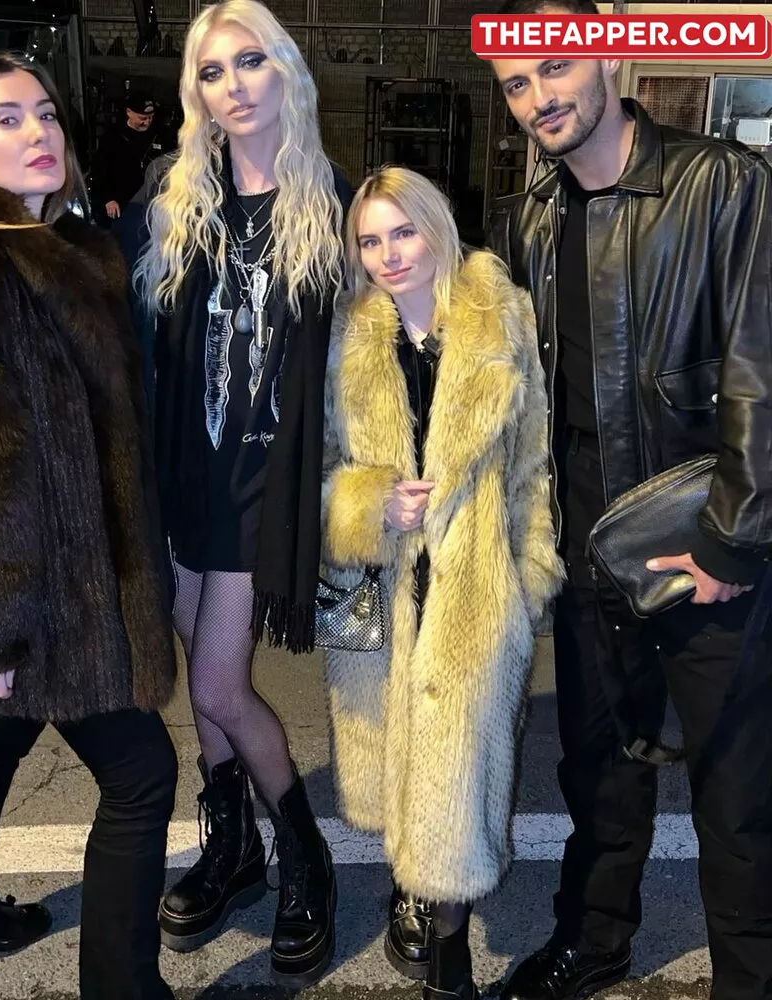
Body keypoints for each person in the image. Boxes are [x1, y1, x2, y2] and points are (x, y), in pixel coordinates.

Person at [488, 2, 772, 998]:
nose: (539, 96)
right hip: (584, 545)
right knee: (598, 769)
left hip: (701, 538)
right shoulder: (528, 216)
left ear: (611, 53)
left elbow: (762, 369)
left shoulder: (721, 184)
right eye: (516, 83)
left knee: (738, 797)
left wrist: (733, 541)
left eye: (555, 66)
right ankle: (595, 940)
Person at [0, 53, 178, 1000]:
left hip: (72, 576)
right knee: (142, 776)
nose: (39, 133)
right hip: (41, 593)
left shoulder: (71, 251)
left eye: (46, 114)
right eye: (7, 119)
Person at [125, 0, 353, 988]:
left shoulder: (331, 201)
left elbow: (371, 347)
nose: (234, 86)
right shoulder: (174, 195)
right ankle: (234, 845)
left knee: (220, 684)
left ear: (285, 71)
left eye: (250, 62)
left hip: (266, 481)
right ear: (197, 92)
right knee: (198, 671)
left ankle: (306, 856)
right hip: (183, 471)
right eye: (213, 72)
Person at [320, 166, 564, 1000]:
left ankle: (447, 949)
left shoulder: (502, 318)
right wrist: (366, 502)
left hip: (473, 589)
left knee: (456, 774)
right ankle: (410, 885)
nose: (390, 254)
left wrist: (526, 583)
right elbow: (317, 467)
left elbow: (533, 467)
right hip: (383, 589)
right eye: (371, 240)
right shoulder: (348, 336)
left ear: (437, 227)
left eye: (404, 232)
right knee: (399, 760)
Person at [90, 90, 163, 224]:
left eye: (150, 117)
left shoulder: (157, 135)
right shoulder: (113, 137)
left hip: (151, 200)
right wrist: (108, 199)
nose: (147, 122)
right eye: (142, 118)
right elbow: (99, 171)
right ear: (129, 112)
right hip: (122, 201)